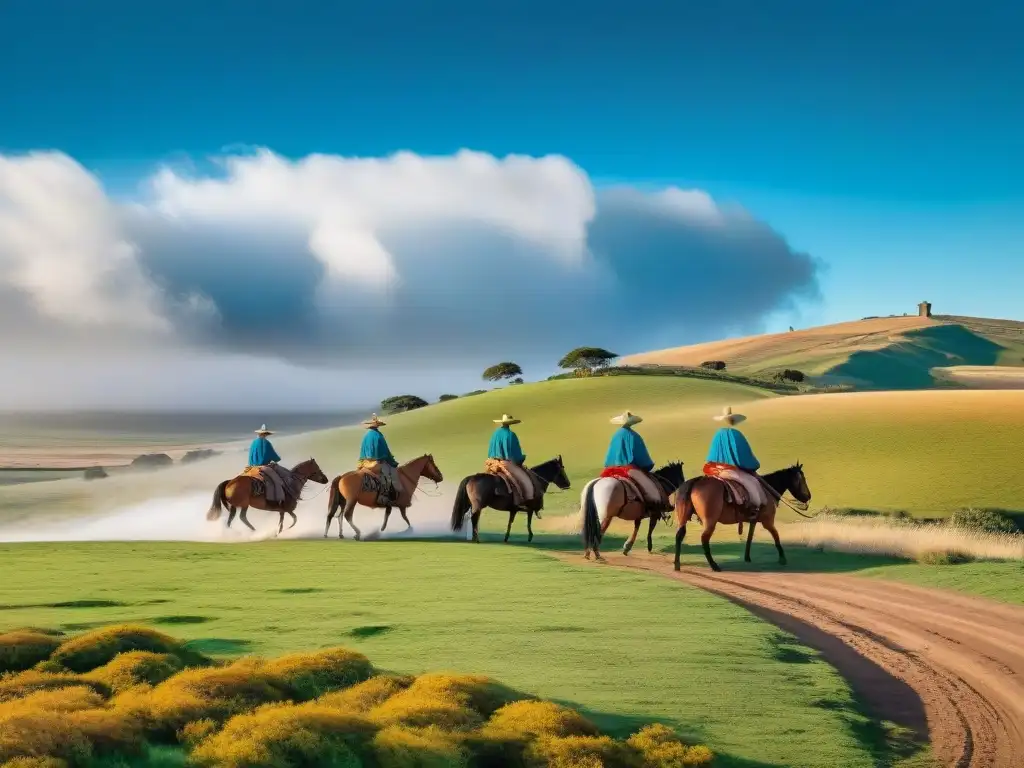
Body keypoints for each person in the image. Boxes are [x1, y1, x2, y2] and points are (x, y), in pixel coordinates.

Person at [704, 406, 767, 515]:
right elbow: (744, 456)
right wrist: (753, 465)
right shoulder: (736, 434)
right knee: (752, 483)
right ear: (733, 420)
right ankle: (754, 509)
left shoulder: (717, 435)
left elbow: (711, 456)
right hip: (730, 470)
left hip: (713, 470)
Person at [602, 411, 666, 510]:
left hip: (611, 469)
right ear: (632, 423)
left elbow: (609, 456)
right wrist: (647, 466)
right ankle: (655, 506)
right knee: (650, 489)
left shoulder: (615, 436)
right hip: (629, 469)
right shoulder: (633, 436)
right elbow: (642, 456)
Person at [485, 414, 534, 507]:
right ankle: (523, 501)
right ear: (510, 423)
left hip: (491, 462)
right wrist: (521, 458)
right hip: (505, 463)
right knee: (525, 479)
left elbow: (490, 450)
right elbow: (514, 454)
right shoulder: (511, 435)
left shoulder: (495, 433)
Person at [357, 414, 402, 504]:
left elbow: (362, 450)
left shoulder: (366, 436)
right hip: (376, 462)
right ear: (377, 425)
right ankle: (384, 496)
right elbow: (384, 450)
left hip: (364, 463)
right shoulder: (378, 435)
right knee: (390, 473)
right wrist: (391, 461)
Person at [246, 425, 290, 504]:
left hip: (251, 467)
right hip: (262, 467)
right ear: (265, 434)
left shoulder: (253, 442)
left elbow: (250, 456)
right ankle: (277, 500)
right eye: (266, 434)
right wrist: (276, 459)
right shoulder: (267, 443)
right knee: (278, 480)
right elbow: (274, 457)